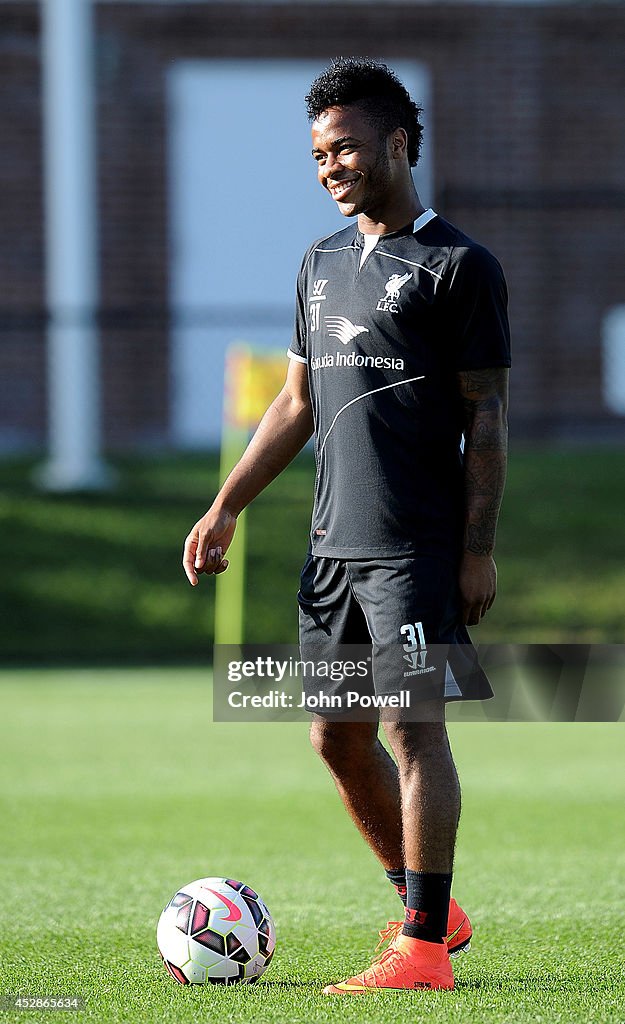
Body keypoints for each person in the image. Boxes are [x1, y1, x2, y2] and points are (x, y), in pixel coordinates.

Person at [183, 57, 510, 994]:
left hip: (415, 548)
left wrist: (476, 548)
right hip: (333, 547)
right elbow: (293, 402)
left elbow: (485, 418)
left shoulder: (460, 267)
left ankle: (418, 953)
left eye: (347, 147)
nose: (330, 166)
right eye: (319, 153)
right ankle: (432, 909)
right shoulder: (319, 263)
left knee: (414, 731)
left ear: (398, 143)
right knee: (333, 735)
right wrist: (227, 504)